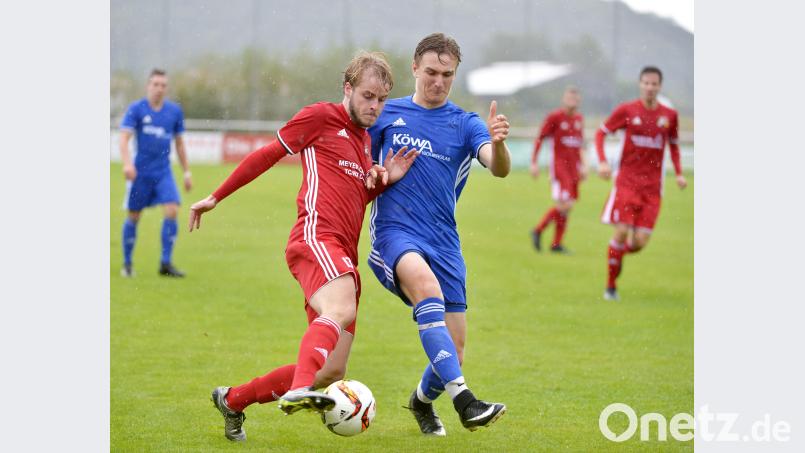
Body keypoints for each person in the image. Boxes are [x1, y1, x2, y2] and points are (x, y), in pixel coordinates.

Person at [189, 52, 418, 442]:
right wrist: (216, 196)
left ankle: (233, 400)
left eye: (381, 99)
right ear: (347, 89)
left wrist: (383, 181)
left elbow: (351, 196)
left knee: (331, 371)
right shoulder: (319, 117)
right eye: (367, 96)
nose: (374, 106)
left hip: (342, 251)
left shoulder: (363, 141)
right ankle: (298, 389)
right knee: (340, 309)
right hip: (315, 238)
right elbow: (268, 154)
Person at [367, 33, 509, 436]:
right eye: (431, 72)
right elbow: (359, 166)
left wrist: (498, 145)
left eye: (447, 74)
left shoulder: (466, 123)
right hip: (395, 234)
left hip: (445, 242)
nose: (438, 81)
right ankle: (465, 401)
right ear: (414, 68)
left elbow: (496, 167)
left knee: (456, 351)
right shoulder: (385, 115)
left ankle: (422, 401)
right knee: (426, 289)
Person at [595, 66, 687, 301]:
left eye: (654, 84)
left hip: (653, 188)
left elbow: (674, 146)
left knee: (639, 243)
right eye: (646, 83)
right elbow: (600, 133)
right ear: (640, 84)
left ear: (659, 86)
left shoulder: (669, 116)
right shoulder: (627, 110)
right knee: (622, 230)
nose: (650, 87)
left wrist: (678, 173)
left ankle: (616, 256)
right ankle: (611, 286)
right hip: (626, 182)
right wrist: (603, 162)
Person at [119, 68, 191, 278]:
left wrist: (186, 172)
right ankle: (127, 263)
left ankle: (165, 264)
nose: (159, 89)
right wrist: (127, 164)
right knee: (134, 216)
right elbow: (124, 139)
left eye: (163, 85)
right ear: (148, 86)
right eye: (155, 84)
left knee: (172, 210)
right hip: (140, 172)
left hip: (163, 172)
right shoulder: (137, 109)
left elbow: (179, 144)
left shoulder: (174, 112)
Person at [530, 86, 587, 253]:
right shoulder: (555, 117)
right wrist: (534, 162)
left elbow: (580, 144)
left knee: (567, 207)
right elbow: (540, 138)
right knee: (565, 205)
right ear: (564, 99)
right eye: (570, 98)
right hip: (560, 167)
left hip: (574, 169)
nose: (572, 102)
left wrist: (583, 165)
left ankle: (556, 244)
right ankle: (538, 230)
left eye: (575, 99)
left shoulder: (579, 119)